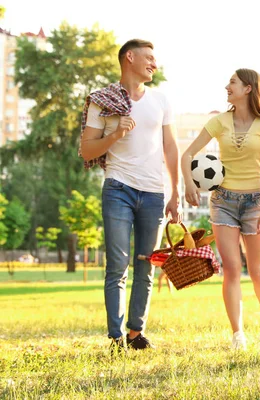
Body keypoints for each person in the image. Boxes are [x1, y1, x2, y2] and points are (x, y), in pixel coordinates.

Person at [80, 39, 180, 353]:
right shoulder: (103, 101)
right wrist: (115, 134)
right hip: (118, 188)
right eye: (149, 58)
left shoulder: (161, 100)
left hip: (152, 192)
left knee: (146, 264)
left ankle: (135, 333)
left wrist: (175, 192)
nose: (154, 63)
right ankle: (115, 337)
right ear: (130, 57)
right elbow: (86, 150)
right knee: (117, 265)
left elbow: (170, 148)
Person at [181, 69, 260, 350]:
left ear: (248, 88)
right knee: (232, 269)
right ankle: (238, 335)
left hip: (255, 202)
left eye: (232, 82)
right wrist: (189, 184)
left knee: (257, 270)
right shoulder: (219, 122)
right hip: (223, 201)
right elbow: (188, 154)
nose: (227, 86)